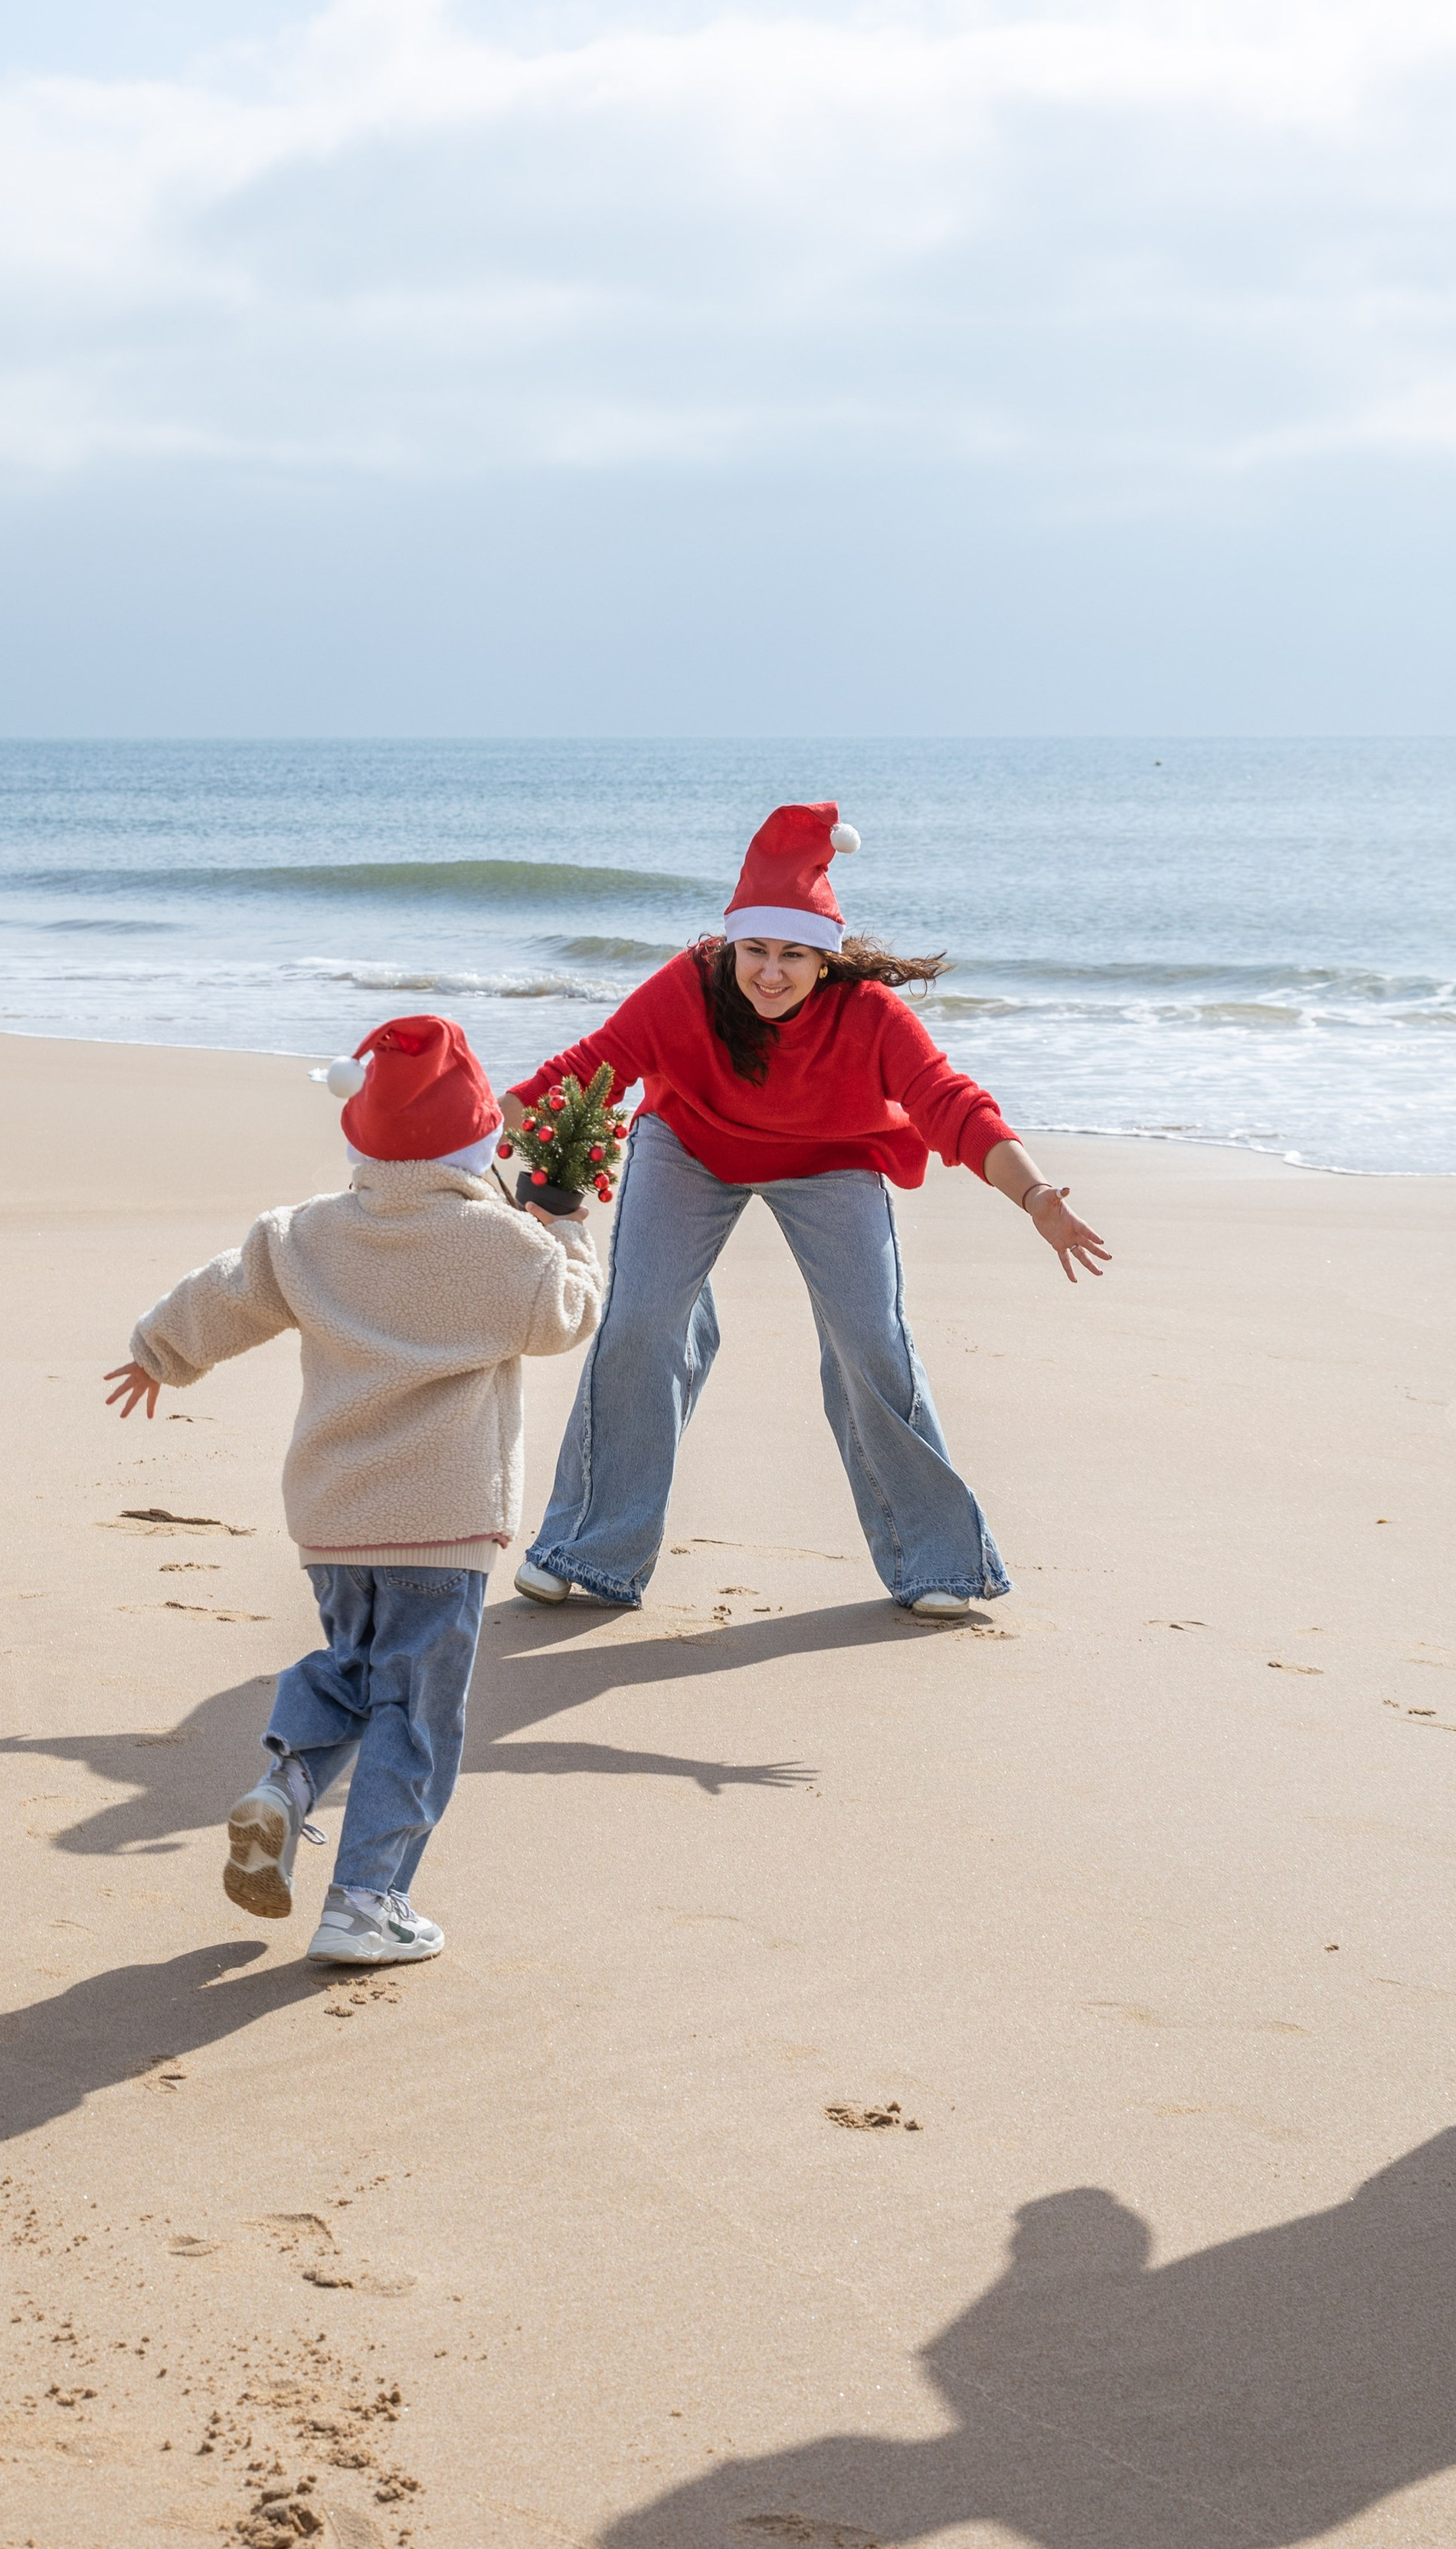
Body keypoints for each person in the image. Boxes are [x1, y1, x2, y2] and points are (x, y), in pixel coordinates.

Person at [500, 801, 1110, 1618]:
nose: (770, 972)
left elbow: (950, 1104)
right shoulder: (688, 984)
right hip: (691, 1143)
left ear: (826, 959)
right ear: (732, 944)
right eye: (755, 949)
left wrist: (1033, 1193)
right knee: (643, 1319)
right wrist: (470, 1124)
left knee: (870, 1335)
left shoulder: (870, 1017)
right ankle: (585, 1548)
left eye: (793, 954)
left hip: (832, 1158)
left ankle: (936, 1560)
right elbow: (591, 1065)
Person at [104, 1016, 602, 1966]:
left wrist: (158, 1352)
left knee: (355, 1669)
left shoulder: (306, 1233)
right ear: (481, 1145)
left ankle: (287, 1785)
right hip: (444, 1522)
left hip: (335, 1516)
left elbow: (227, 1290)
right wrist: (568, 1228)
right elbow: (565, 1315)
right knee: (416, 1715)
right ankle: (367, 1899)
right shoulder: (501, 1243)